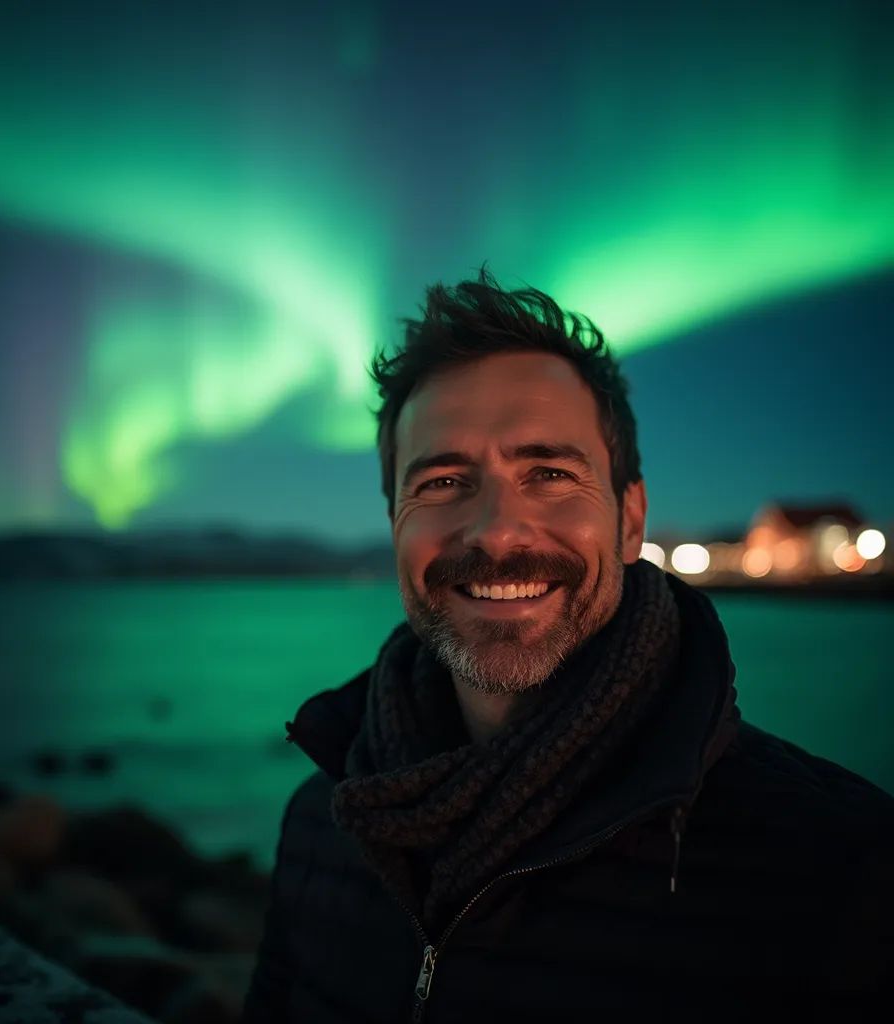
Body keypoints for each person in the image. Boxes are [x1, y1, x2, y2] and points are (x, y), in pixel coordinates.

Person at [243, 271, 894, 1022]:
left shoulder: (840, 868)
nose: (496, 530)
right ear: (396, 523)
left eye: (549, 473)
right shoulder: (324, 821)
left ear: (629, 520)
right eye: (444, 481)